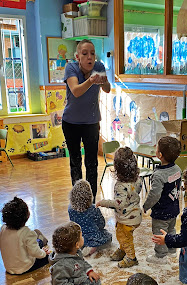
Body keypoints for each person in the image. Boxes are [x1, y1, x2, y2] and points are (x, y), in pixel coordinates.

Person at [62, 39, 111, 200]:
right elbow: (75, 91)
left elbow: (108, 89)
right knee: (75, 161)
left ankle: (91, 199)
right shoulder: (71, 68)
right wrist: (90, 80)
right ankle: (78, 200)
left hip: (91, 122)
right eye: (85, 54)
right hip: (71, 123)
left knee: (92, 163)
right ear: (78, 57)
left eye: (92, 53)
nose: (89, 57)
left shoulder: (99, 67)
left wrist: (103, 82)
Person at [49, 222, 123, 285]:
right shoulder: (61, 265)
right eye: (81, 236)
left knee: (95, 279)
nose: (83, 237)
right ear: (77, 244)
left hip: (79, 282)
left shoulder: (75, 252)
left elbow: (82, 263)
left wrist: (89, 272)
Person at [96, 147, 142, 268]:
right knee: (122, 234)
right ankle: (123, 250)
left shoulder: (120, 186)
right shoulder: (138, 179)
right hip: (135, 215)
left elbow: (118, 204)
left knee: (124, 237)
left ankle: (131, 258)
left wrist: (104, 202)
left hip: (127, 218)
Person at [143, 136, 182, 264]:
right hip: (174, 208)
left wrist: (145, 206)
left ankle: (160, 256)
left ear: (159, 154)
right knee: (171, 229)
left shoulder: (159, 175)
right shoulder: (177, 169)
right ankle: (171, 250)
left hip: (161, 212)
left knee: (159, 232)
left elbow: (154, 195)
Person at [0, 197, 51, 275]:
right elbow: (35, 253)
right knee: (49, 256)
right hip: (24, 267)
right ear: (27, 216)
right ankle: (40, 239)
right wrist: (44, 253)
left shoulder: (2, 229)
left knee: (35, 243)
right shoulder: (27, 233)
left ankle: (39, 241)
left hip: (8, 267)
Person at [68, 179, 112, 256]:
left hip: (79, 237)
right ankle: (93, 247)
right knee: (108, 237)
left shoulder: (70, 209)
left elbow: (72, 223)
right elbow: (101, 224)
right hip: (94, 237)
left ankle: (81, 246)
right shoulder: (93, 209)